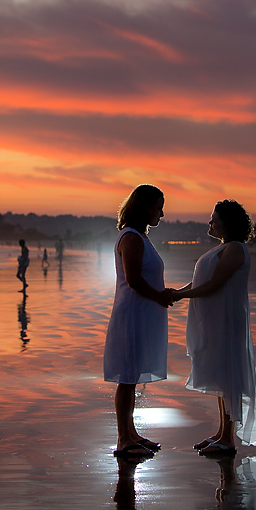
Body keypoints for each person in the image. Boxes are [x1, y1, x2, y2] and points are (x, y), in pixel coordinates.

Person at [173, 200, 256, 455]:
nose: (210, 223)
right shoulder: (222, 248)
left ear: (227, 223)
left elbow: (215, 283)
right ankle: (222, 432)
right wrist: (176, 293)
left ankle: (228, 438)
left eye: (214, 219)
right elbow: (198, 280)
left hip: (227, 321)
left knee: (229, 376)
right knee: (220, 376)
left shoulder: (235, 248)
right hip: (215, 320)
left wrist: (179, 297)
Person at [104, 184, 174, 458]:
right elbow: (133, 280)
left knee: (131, 377)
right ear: (144, 208)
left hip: (141, 314)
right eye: (158, 207)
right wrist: (159, 297)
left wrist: (161, 296)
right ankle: (123, 438)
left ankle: (131, 433)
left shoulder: (140, 237)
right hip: (132, 315)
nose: (162, 213)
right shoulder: (131, 238)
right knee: (127, 376)